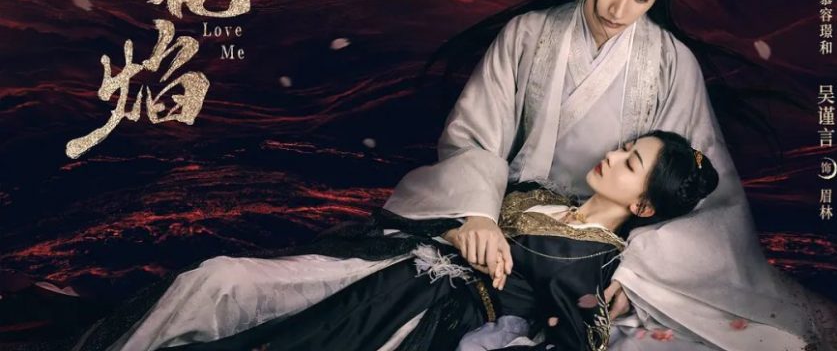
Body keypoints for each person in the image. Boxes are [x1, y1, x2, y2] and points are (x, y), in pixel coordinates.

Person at [77, 0, 837, 350]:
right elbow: (476, 137)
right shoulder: (529, 35)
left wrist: (627, 274)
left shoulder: (671, 65)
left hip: (566, 252)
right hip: (480, 222)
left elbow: (697, 190)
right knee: (226, 282)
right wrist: (476, 214)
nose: (622, 10)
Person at [150, 131, 720, 351]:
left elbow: (578, 338)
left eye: (630, 163)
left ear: (643, 207)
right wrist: (463, 226)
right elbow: (452, 205)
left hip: (422, 314)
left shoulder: (591, 258)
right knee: (220, 277)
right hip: (394, 265)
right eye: (625, 147)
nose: (613, 155)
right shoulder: (540, 195)